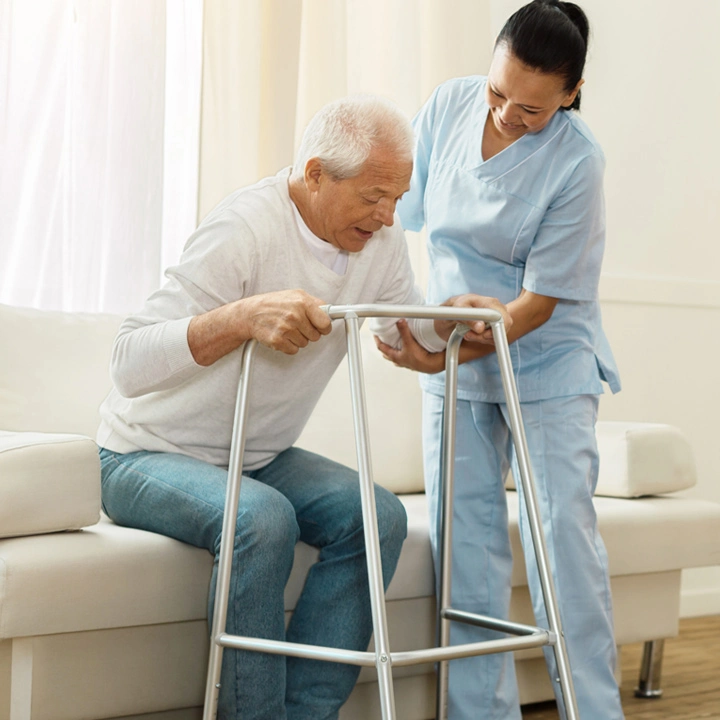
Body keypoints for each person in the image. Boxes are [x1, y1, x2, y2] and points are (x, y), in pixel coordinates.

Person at [96, 95, 508, 720]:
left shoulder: (380, 244)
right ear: (316, 174)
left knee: (377, 516)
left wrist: (457, 319)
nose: (388, 215)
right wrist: (241, 317)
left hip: (256, 455)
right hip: (143, 454)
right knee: (261, 519)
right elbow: (128, 362)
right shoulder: (246, 227)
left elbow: (408, 332)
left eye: (398, 197)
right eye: (374, 195)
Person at [375, 2, 624, 718]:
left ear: (570, 94)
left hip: (546, 366)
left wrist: (449, 347)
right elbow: (404, 215)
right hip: (456, 355)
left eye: (533, 109)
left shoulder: (579, 160)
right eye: (498, 93)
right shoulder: (449, 105)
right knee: (466, 551)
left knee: (560, 549)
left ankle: (592, 710)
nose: (509, 114)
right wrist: (421, 338)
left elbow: (540, 302)